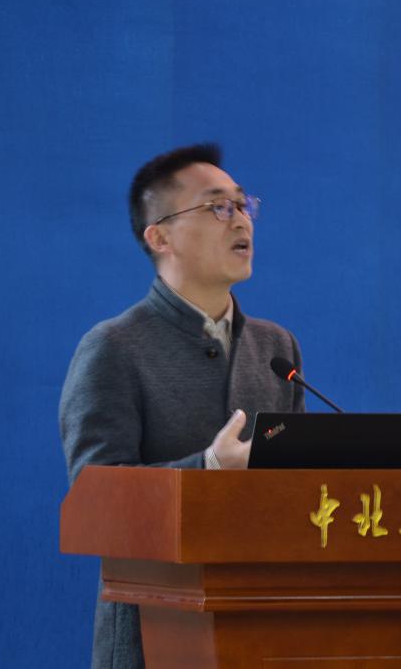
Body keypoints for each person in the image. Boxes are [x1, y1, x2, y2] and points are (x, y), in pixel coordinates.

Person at [59, 143, 305, 669]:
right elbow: (94, 502)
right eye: (218, 206)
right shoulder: (113, 348)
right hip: (154, 638)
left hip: (264, 631)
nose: (240, 219)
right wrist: (208, 469)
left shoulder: (275, 347)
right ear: (160, 237)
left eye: (244, 204)